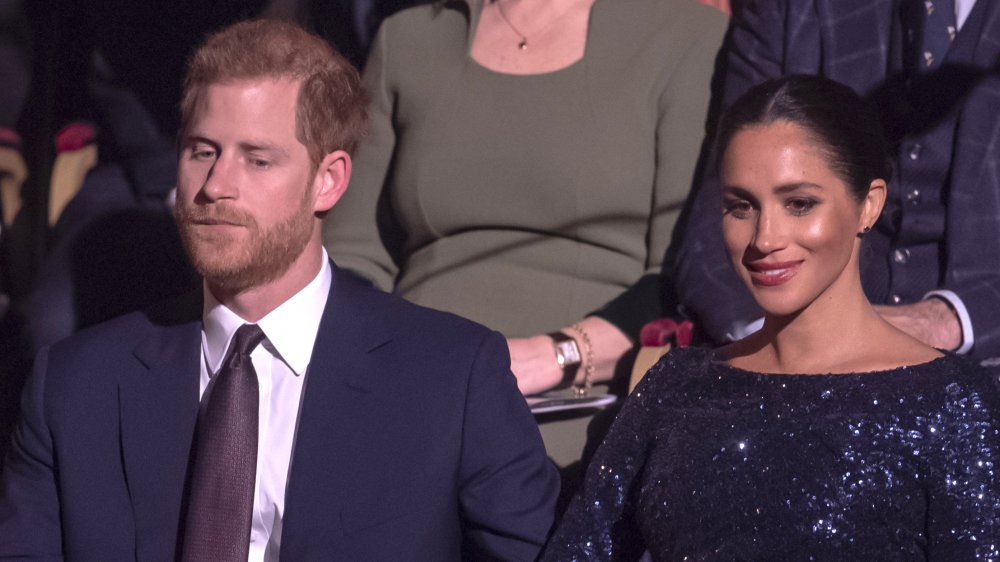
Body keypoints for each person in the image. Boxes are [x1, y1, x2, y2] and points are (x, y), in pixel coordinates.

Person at [0, 19, 559, 561]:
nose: (216, 186)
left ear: (329, 180)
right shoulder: (72, 388)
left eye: (257, 159)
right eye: (202, 151)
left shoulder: (451, 377)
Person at [542, 75, 1000, 560]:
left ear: (869, 205)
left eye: (799, 204)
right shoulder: (675, 386)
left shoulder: (949, 404)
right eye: (740, 207)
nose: (765, 237)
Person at [321, 0, 728, 473]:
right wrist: (386, 363)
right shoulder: (407, 38)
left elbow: (682, 273)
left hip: (580, 406)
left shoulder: (686, 33)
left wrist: (547, 357)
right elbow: (353, 255)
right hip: (409, 388)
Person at [676, 0, 1000, 363]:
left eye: (800, 203)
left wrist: (949, 320)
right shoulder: (788, 9)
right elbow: (721, 203)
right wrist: (772, 345)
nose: (766, 238)